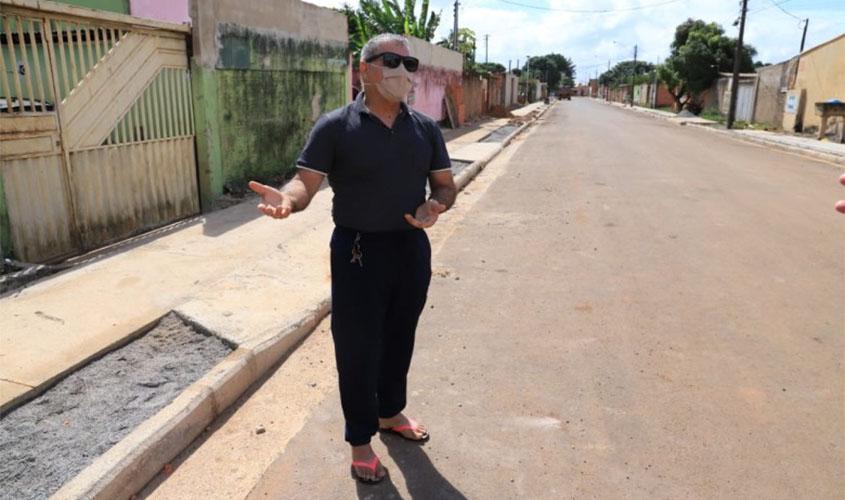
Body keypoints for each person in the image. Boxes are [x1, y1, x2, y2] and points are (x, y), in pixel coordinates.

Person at [248, 33, 457, 484]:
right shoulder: (336, 126)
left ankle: (390, 412)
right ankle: (360, 440)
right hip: (358, 252)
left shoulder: (424, 128)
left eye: (410, 63)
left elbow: (444, 184)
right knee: (358, 347)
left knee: (400, 336)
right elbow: (306, 182)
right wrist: (287, 200)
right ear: (365, 69)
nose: (403, 71)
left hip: (410, 248)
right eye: (391, 61)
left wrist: (435, 205)